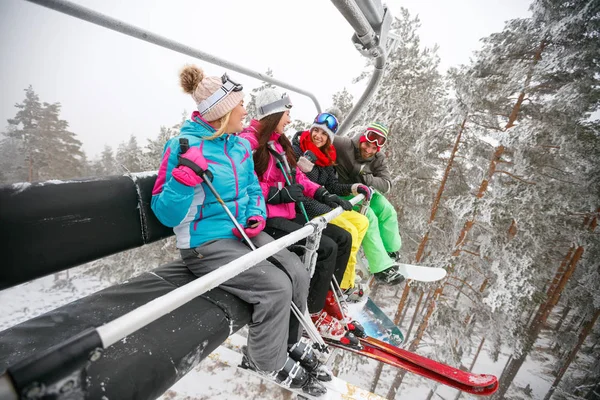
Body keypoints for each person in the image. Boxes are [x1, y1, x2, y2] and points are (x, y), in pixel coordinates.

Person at [151, 65, 325, 396]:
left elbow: (251, 191)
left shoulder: (239, 147)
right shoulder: (184, 146)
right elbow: (165, 213)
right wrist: (182, 180)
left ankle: (287, 341)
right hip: (205, 243)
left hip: (241, 232)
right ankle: (265, 360)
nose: (246, 111)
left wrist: (256, 215)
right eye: (241, 105)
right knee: (274, 287)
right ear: (223, 111)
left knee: (297, 274)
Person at [239, 88, 360, 345]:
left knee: (342, 237)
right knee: (324, 247)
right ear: (273, 113)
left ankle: (326, 298)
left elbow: (298, 177)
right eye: (286, 113)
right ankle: (313, 312)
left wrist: (324, 194)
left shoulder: (278, 142)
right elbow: (243, 183)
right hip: (267, 217)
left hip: (288, 212)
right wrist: (278, 194)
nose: (290, 120)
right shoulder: (251, 144)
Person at [291, 111, 370, 306]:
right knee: (348, 230)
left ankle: (345, 279)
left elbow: (332, 185)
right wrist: (300, 169)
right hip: (303, 206)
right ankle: (337, 288)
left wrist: (353, 188)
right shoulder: (297, 149)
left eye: (324, 134)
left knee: (361, 221)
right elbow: (295, 184)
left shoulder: (326, 157)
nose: (318, 136)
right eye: (316, 130)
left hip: (320, 201)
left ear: (329, 138)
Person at [333, 122, 405, 285]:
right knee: (369, 217)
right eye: (367, 145)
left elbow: (387, 184)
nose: (369, 150)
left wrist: (368, 178)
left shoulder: (378, 158)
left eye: (374, 148)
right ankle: (381, 269)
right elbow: (322, 136)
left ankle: (390, 250)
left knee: (387, 210)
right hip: (343, 192)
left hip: (364, 192)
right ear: (362, 139)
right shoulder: (345, 145)